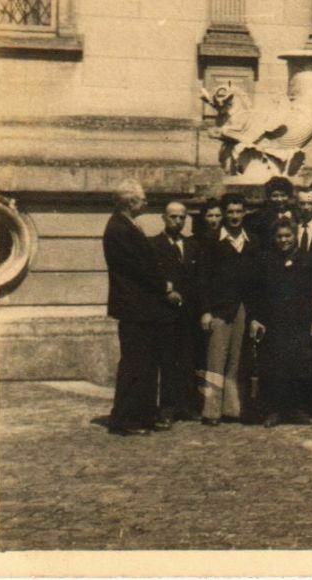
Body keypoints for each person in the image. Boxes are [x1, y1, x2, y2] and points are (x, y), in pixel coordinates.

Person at [104, 180, 181, 435]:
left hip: (141, 308)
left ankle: (141, 415)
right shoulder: (119, 228)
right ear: (130, 201)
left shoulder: (126, 225)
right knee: (135, 365)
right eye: (143, 198)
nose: (146, 202)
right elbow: (140, 268)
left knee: (144, 364)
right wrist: (165, 287)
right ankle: (125, 420)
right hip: (134, 308)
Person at [250, 219, 312, 427]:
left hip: (299, 321)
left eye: (288, 236)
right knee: (273, 365)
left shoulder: (308, 260)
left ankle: (297, 409)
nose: (284, 240)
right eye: (280, 236)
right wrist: (256, 318)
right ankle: (274, 411)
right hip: (273, 321)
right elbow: (256, 292)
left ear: (295, 236)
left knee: (299, 365)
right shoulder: (265, 260)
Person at [201, 192, 258, 426]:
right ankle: (211, 411)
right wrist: (205, 310)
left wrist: (254, 314)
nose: (235, 216)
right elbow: (203, 278)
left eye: (239, 211)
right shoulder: (211, 240)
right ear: (224, 214)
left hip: (243, 307)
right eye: (230, 212)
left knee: (236, 359)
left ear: (245, 213)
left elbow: (256, 281)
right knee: (216, 359)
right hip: (219, 308)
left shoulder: (252, 241)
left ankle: (231, 409)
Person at [149, 200, 204, 423]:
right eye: (173, 217)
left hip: (189, 313)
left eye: (182, 217)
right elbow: (150, 275)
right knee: (168, 360)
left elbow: (199, 279)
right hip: (165, 313)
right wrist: (166, 292)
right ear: (164, 218)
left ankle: (186, 406)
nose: (178, 221)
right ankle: (167, 408)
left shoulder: (192, 245)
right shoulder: (153, 244)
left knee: (188, 359)